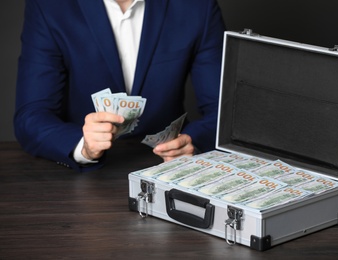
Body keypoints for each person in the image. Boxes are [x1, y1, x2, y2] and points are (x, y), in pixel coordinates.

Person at [14, 0, 225, 172]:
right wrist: (83, 146)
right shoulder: (48, 6)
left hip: (169, 167)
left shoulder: (198, 6)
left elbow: (224, 109)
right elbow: (31, 115)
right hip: (83, 176)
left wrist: (192, 141)